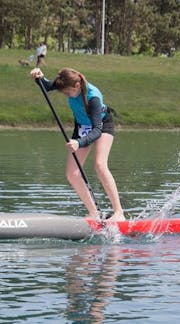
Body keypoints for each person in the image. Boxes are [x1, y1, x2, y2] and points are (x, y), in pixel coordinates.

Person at [30, 67, 125, 221]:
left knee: (100, 165)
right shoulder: (68, 82)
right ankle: (94, 213)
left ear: (77, 86)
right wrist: (39, 77)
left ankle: (119, 212)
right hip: (82, 126)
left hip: (101, 125)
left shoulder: (93, 98)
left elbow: (97, 130)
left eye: (67, 93)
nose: (66, 95)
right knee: (71, 174)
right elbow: (47, 86)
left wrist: (78, 143)